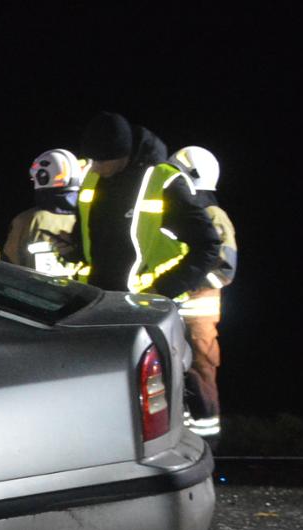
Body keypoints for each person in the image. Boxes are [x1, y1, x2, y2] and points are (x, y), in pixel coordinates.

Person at [74, 112, 224, 298]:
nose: (94, 167)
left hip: (145, 306)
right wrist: (71, 248)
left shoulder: (164, 182)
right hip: (96, 298)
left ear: (123, 154)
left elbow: (207, 246)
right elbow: (90, 240)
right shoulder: (92, 178)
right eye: (92, 160)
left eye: (101, 161)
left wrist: (163, 290)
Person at [169, 144, 237, 441]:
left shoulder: (213, 214)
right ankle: (182, 437)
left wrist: (187, 284)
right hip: (173, 307)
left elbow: (225, 269)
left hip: (197, 313)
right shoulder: (178, 213)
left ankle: (208, 443)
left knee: (200, 372)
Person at [2, 148, 85, 278]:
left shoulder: (27, 221)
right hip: (87, 295)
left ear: (41, 177)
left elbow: (8, 268)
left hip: (35, 296)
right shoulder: (89, 217)